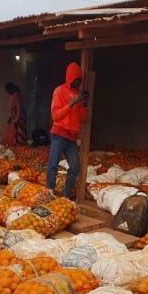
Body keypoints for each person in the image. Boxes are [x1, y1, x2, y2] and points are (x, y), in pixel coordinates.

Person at [46, 62, 89, 199]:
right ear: (70, 78)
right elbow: (55, 115)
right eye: (75, 79)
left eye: (79, 80)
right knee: (53, 164)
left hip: (71, 136)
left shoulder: (78, 94)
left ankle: (66, 195)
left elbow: (81, 117)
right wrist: (71, 103)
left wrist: (84, 104)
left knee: (75, 167)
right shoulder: (59, 91)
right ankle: (50, 191)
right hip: (59, 133)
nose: (77, 82)